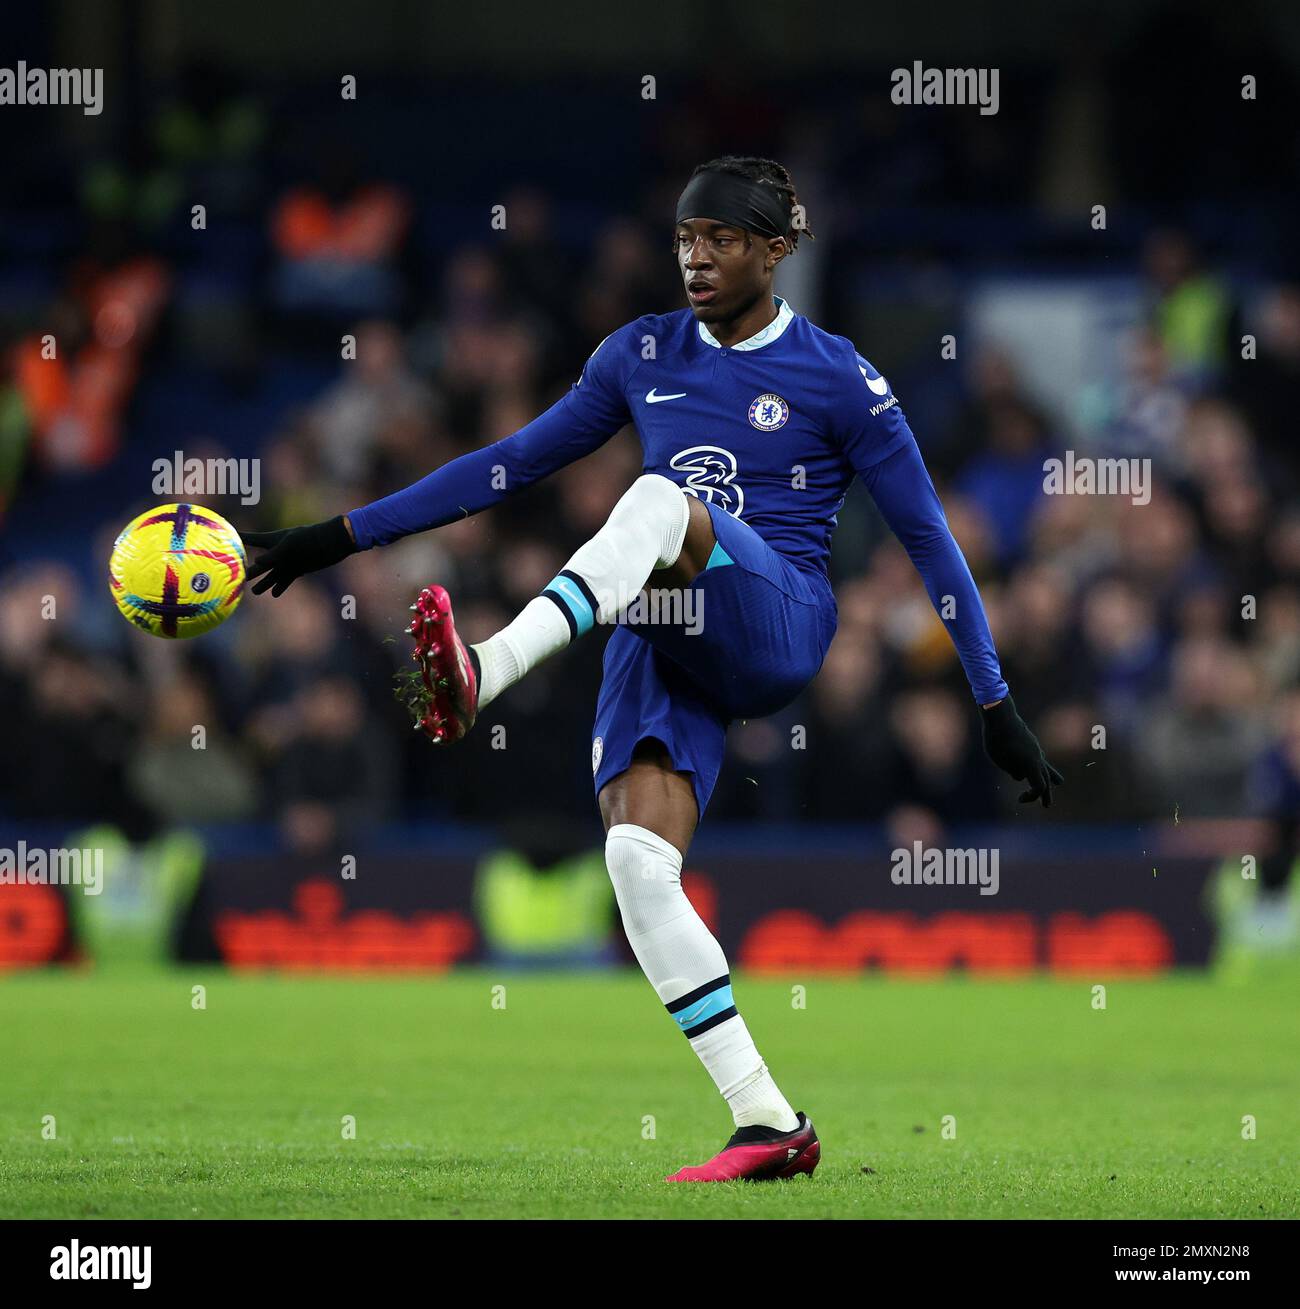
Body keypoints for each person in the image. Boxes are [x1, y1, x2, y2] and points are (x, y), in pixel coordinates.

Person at [243, 156, 1062, 1183]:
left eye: (720, 239)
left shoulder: (840, 376)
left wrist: (992, 697)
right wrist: (339, 536)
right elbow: (508, 462)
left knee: (653, 498)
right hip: (659, 631)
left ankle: (486, 671)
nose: (696, 257)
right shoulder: (639, 353)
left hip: (778, 621)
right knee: (636, 864)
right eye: (684, 238)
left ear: (774, 251)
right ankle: (768, 1122)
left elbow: (930, 541)